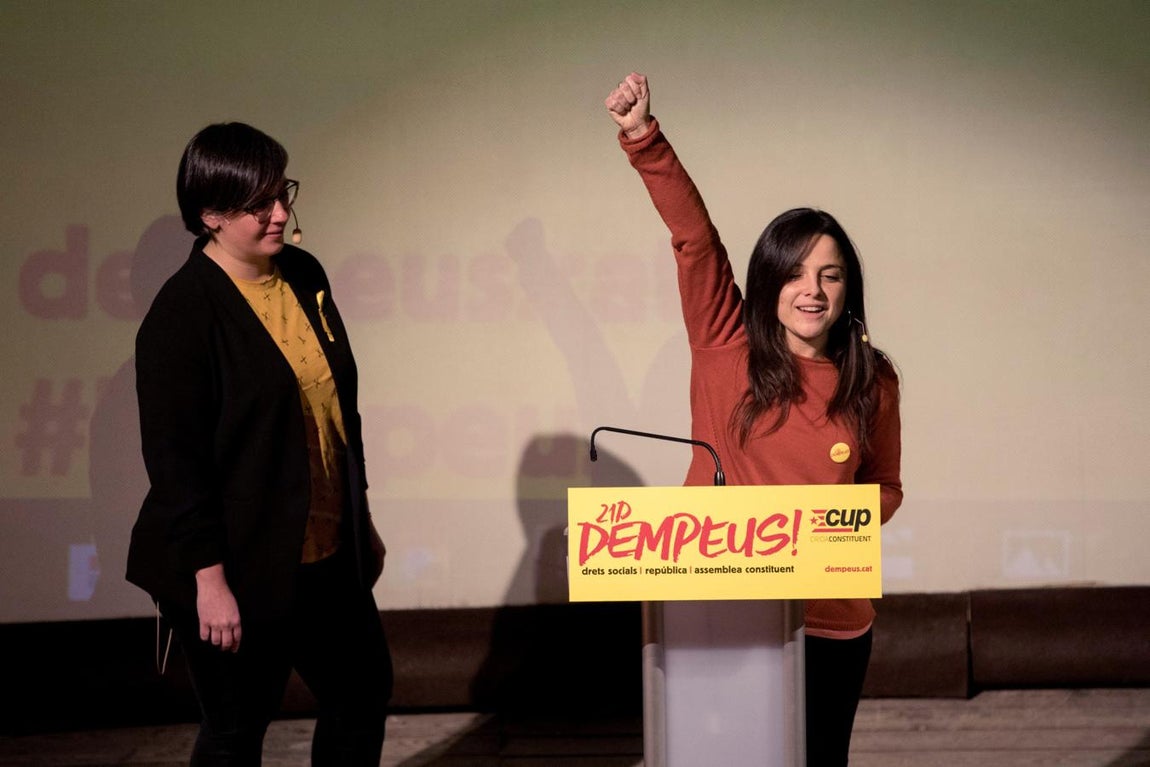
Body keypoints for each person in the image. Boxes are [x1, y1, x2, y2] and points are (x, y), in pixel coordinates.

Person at [605, 73, 902, 765]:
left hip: (831, 618)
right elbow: (694, 239)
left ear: (848, 286)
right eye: (796, 274)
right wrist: (643, 137)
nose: (813, 290)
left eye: (829, 275)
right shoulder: (724, 346)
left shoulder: (873, 378)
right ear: (768, 282)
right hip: (721, 609)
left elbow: (886, 486)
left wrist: (826, 524)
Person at [126, 122, 393, 766]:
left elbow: (336, 413)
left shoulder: (304, 274)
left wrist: (361, 522)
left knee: (360, 696)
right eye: (257, 204)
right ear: (210, 215)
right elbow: (175, 464)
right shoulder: (181, 315)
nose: (280, 214)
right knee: (236, 728)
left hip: (325, 548)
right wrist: (208, 581)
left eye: (282, 193)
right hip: (236, 563)